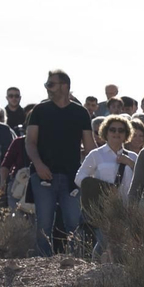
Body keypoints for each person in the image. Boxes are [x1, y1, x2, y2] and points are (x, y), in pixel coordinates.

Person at [25, 69, 95, 257]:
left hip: (72, 178)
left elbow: (90, 147)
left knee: (74, 223)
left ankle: (76, 263)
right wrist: (38, 165)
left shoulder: (80, 112)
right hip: (43, 177)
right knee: (44, 224)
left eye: (51, 84)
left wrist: (98, 165)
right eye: (47, 84)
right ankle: (42, 265)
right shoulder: (39, 110)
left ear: (65, 86)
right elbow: (30, 142)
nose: (47, 88)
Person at [75, 115, 139, 254]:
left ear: (126, 134)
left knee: (122, 246)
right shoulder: (96, 154)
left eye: (121, 130)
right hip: (102, 207)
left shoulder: (133, 156)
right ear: (106, 132)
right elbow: (79, 178)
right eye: (112, 129)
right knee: (103, 243)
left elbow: (142, 179)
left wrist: (129, 163)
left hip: (126, 208)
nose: (116, 133)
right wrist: (103, 189)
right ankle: (95, 265)